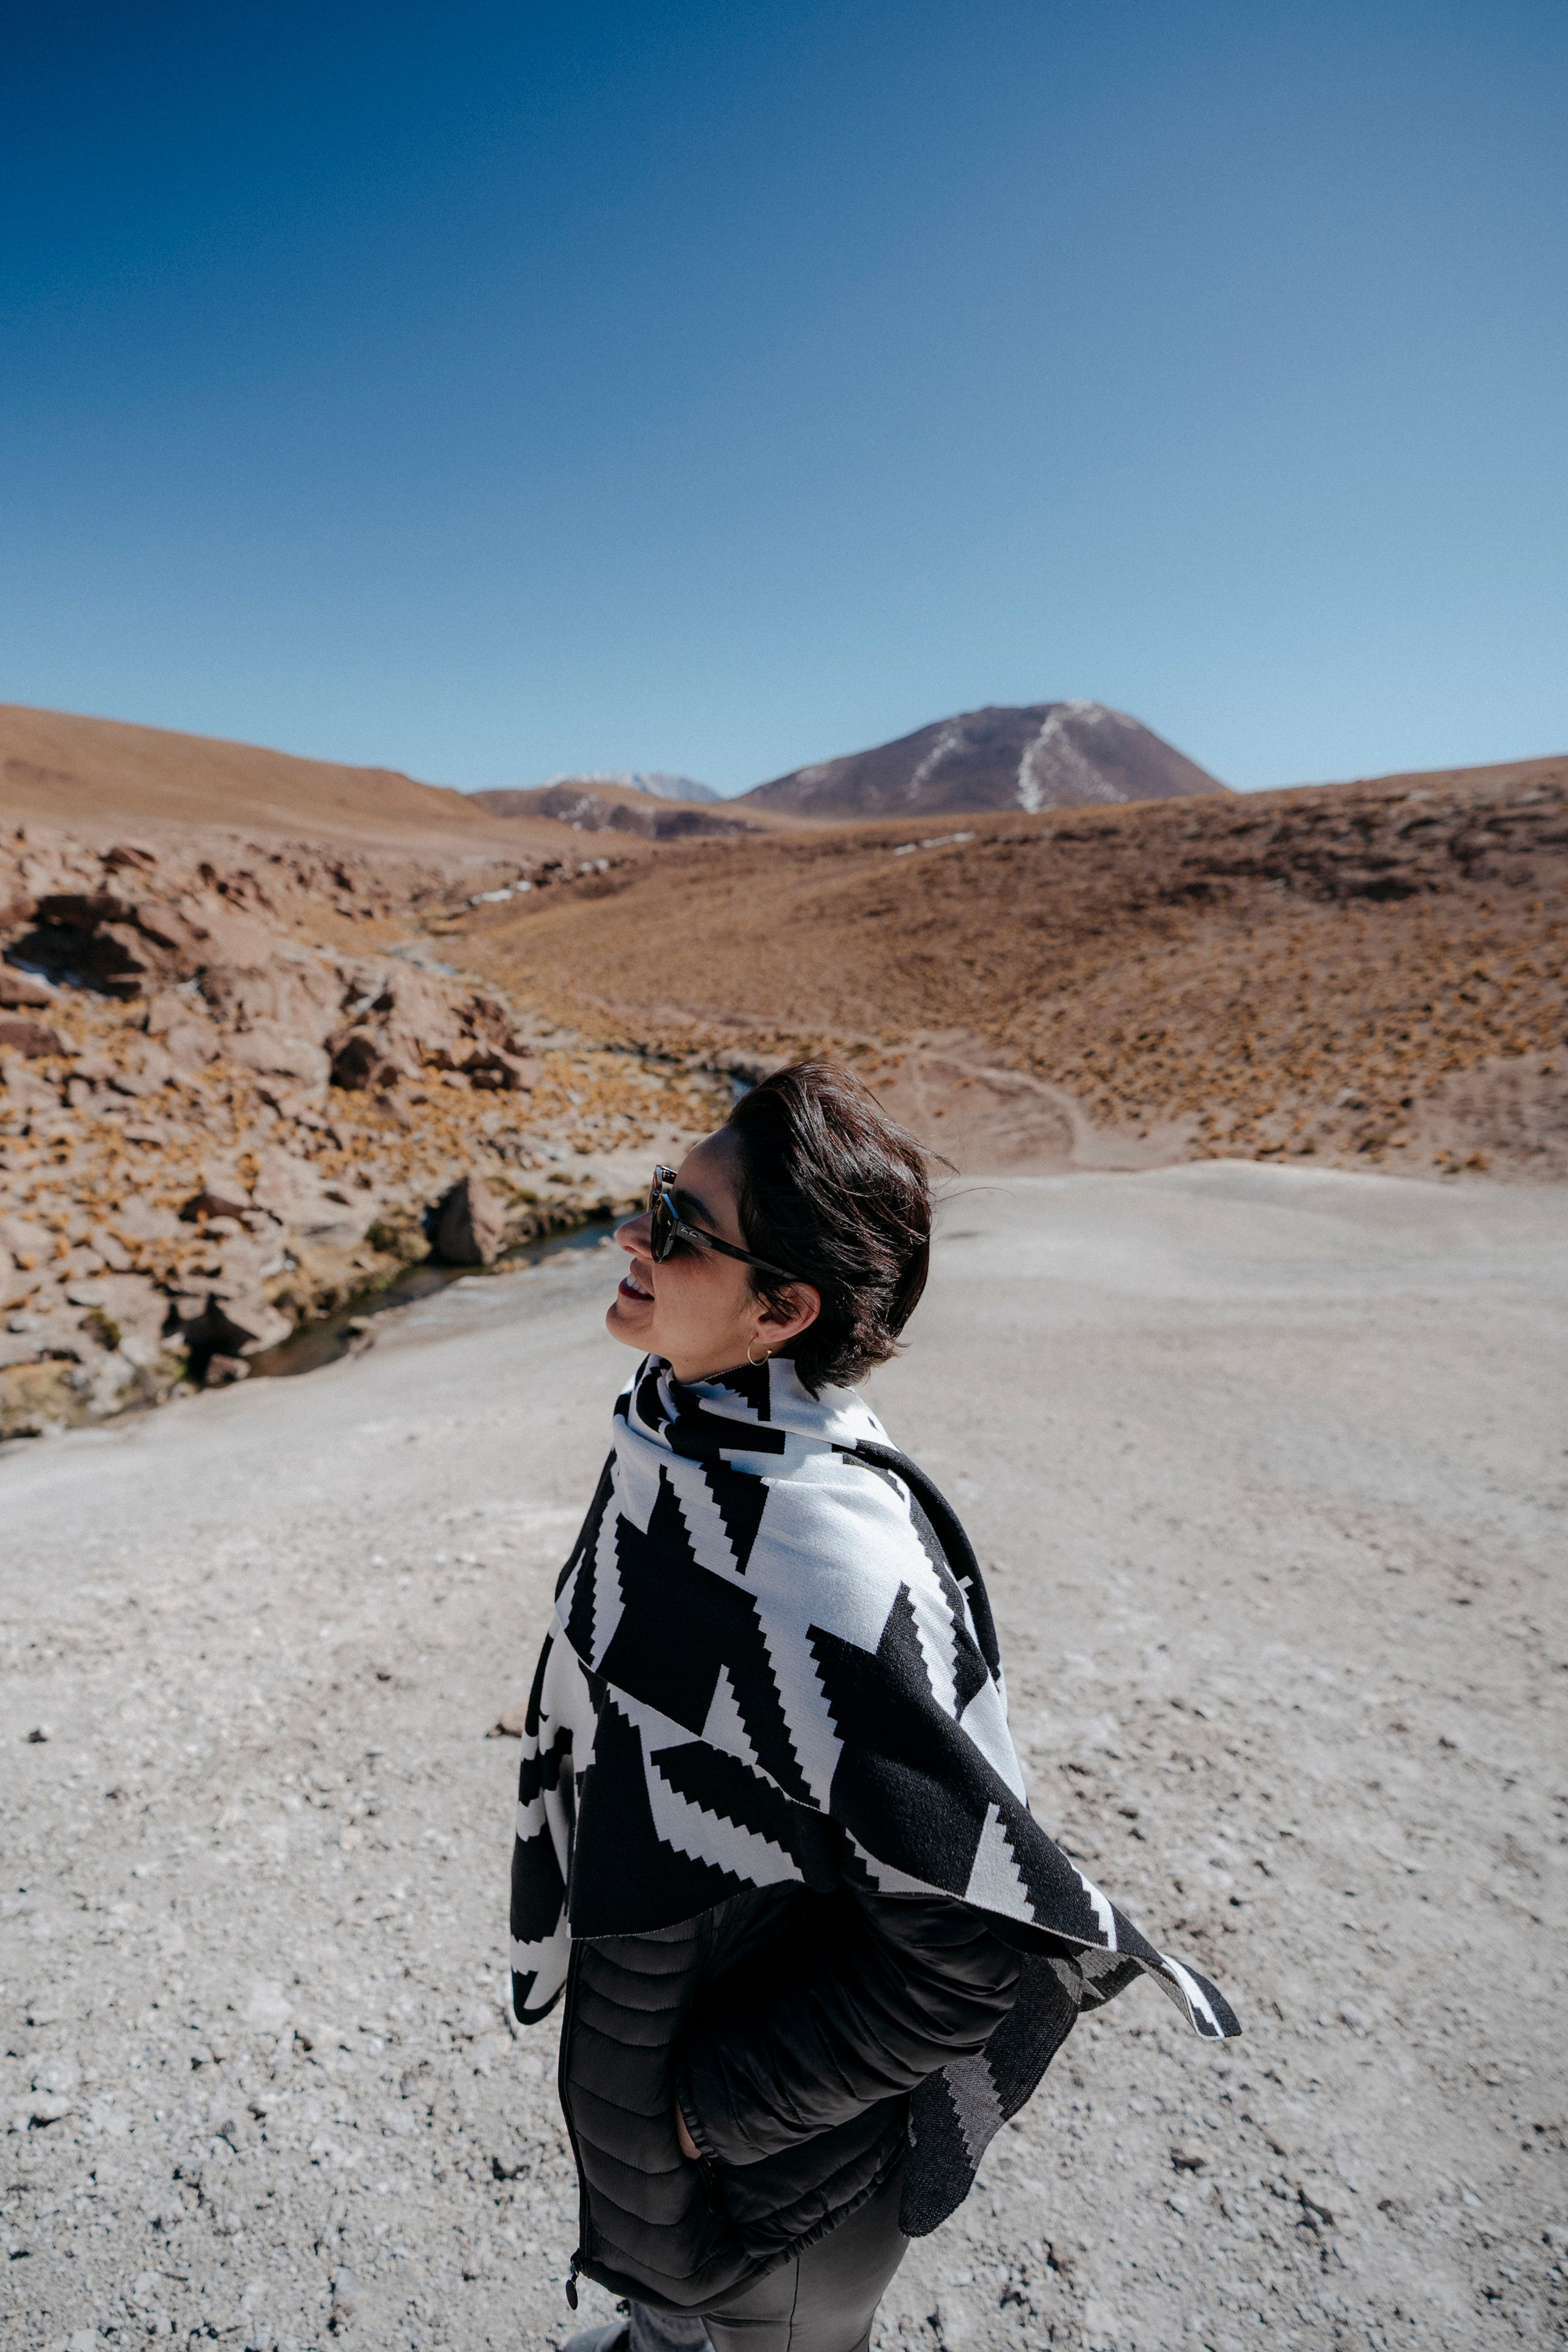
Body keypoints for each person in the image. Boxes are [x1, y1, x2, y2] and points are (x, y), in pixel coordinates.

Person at [508, 1063, 1236, 2352]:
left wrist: (696, 2118)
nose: (630, 1233)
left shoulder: (818, 1561)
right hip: (672, 2128)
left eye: (677, 1226)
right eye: (654, 1195)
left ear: (782, 1309)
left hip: (772, 2204)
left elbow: (966, 1952)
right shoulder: (684, 1444)